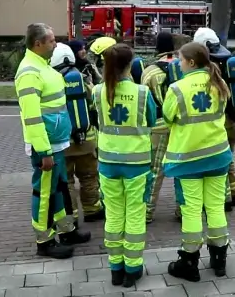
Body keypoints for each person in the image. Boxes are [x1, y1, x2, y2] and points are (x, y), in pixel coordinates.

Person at [15, 23, 90, 259]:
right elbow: (32, 117)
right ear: (37, 44)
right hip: (45, 146)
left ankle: (65, 230)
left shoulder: (41, 67)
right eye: (50, 40)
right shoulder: (29, 72)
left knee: (58, 189)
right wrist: (44, 151)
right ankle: (44, 241)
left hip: (55, 144)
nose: (55, 44)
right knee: (44, 193)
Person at [163, 41, 233, 282]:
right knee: (215, 207)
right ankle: (219, 259)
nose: (178, 63)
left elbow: (167, 116)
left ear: (191, 62)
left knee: (191, 209)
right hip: (218, 156)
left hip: (189, 158)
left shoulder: (177, 88)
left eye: (180, 59)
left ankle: (189, 261)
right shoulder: (219, 83)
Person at [93, 43, 156, 287]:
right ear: (130, 65)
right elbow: (151, 119)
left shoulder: (98, 91)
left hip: (108, 162)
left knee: (113, 214)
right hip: (137, 164)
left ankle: (115, 268)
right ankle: (133, 268)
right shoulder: (142, 93)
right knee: (135, 215)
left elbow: (96, 119)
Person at [51, 42, 105, 223]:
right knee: (89, 177)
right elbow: (94, 102)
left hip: (63, 141)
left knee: (66, 181)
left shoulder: (52, 81)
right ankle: (92, 209)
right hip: (87, 139)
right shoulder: (82, 79)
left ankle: (71, 215)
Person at [193, 28, 235, 210]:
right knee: (227, 158)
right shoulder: (227, 61)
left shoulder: (205, 68)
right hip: (231, 120)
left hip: (217, 122)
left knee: (218, 161)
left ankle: (225, 197)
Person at [141, 32, 178, 223]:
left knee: (154, 170)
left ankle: (147, 211)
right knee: (183, 170)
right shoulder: (183, 66)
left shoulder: (149, 71)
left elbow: (145, 100)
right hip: (181, 127)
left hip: (158, 126)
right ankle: (183, 209)